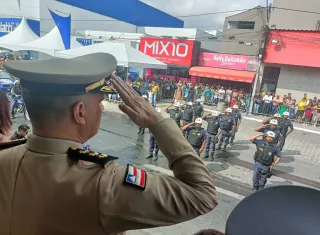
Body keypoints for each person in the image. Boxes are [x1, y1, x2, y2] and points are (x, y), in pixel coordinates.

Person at [1, 53, 218, 234]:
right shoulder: (103, 183)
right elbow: (202, 195)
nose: (102, 109)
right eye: (100, 102)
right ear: (80, 112)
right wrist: (158, 123)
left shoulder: (5, 158)